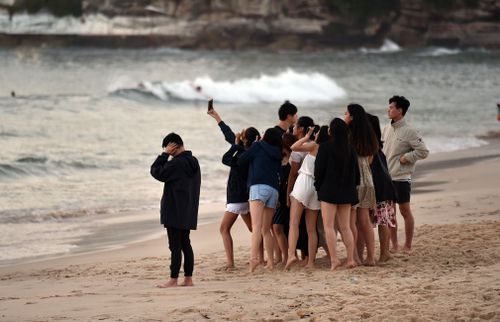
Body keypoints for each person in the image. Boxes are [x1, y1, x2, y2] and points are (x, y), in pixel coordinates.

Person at [207, 108, 261, 269]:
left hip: (237, 197)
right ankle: (262, 258)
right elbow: (229, 135)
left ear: (244, 140)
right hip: (247, 195)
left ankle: (230, 263)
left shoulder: (240, 155)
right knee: (254, 228)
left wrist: (234, 146)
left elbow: (226, 159)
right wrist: (217, 117)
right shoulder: (253, 152)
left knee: (224, 228)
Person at [150, 133, 201, 288]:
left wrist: (164, 155)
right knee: (185, 243)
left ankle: (173, 280)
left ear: (173, 146)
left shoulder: (177, 163)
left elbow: (156, 171)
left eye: (167, 147)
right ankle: (188, 278)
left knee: (175, 246)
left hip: (174, 209)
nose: (167, 151)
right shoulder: (194, 161)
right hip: (188, 209)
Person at [382, 95, 429, 254]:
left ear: (400, 110)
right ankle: (394, 245)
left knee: (404, 211)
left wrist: (407, 157)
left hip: (401, 178)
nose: (388, 110)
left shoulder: (410, 131)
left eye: (391, 107)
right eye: (388, 107)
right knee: (390, 213)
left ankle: (408, 245)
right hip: (387, 177)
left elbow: (423, 151)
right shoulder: (386, 128)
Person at [315, 118, 360, 270]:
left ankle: (334, 260)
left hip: (328, 191)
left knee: (328, 227)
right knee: (346, 227)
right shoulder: (350, 148)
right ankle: (351, 259)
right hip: (347, 191)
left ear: (332, 131)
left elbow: (318, 170)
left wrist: (318, 187)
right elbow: (356, 173)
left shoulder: (325, 147)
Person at [238, 128, 283, 272]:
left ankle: (253, 259)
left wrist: (253, 146)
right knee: (266, 229)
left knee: (256, 226)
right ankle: (270, 262)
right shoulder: (277, 152)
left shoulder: (257, 146)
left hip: (258, 187)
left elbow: (241, 160)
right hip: (274, 190)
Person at [285, 125, 329, 269]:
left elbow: (293, 147)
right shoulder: (329, 150)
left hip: (304, 182)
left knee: (294, 223)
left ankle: (291, 254)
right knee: (312, 229)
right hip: (317, 188)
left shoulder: (314, 146)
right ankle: (311, 262)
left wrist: (306, 136)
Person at [345, 103, 379, 266]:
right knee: (364, 221)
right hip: (368, 179)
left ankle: (356, 256)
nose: (345, 115)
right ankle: (370, 257)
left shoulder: (349, 135)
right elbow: (370, 159)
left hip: (355, 181)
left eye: (347, 113)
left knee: (354, 222)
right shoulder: (369, 135)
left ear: (352, 116)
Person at [368, 114, 396, 263]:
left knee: (379, 219)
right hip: (385, 184)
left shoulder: (369, 145)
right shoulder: (377, 145)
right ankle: (385, 252)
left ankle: (384, 252)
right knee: (383, 219)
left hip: (378, 185)